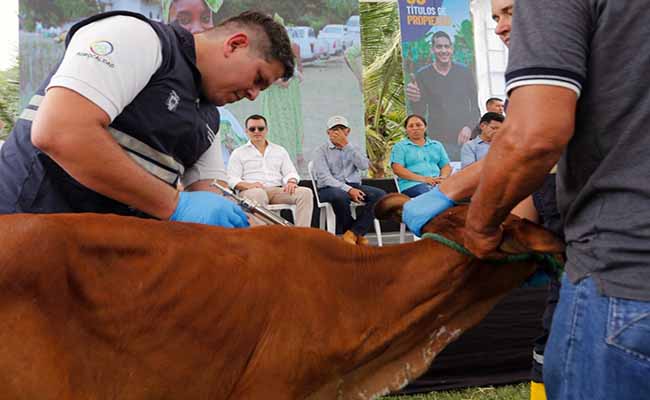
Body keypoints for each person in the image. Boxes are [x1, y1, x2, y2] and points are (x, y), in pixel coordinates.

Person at [407, 0, 650, 398]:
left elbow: (533, 138)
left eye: (511, 12)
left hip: (624, 282)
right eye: (494, 18)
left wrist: (479, 226)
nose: (502, 27)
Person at [0, 10, 294, 230]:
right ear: (235, 44)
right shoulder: (138, 37)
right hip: (23, 234)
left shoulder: (209, 119)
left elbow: (210, 196)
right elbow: (59, 131)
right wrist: (174, 204)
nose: (255, 95)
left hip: (96, 260)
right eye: (258, 79)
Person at [227, 114, 313, 227]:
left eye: (260, 128)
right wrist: (248, 185)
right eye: (252, 129)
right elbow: (231, 179)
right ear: (246, 131)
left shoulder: (279, 150)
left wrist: (291, 181)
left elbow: (291, 172)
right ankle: (264, 237)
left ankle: (301, 236)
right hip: (251, 191)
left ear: (266, 130)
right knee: (258, 193)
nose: (257, 131)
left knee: (305, 192)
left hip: (276, 190)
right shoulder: (238, 153)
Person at [312, 115, 386, 245]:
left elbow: (364, 166)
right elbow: (325, 178)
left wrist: (346, 145)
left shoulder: (354, 148)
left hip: (353, 185)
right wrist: (349, 189)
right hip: (329, 188)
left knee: (380, 195)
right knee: (340, 196)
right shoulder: (321, 151)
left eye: (341, 129)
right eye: (334, 129)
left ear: (348, 131)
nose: (338, 132)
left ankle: (354, 233)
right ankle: (355, 234)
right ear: (328, 132)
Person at [406, 31, 480, 159]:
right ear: (432, 49)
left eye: (447, 46)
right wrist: (415, 100)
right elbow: (420, 112)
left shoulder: (465, 72)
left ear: (452, 49)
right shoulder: (423, 75)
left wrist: (468, 127)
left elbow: (475, 108)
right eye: (439, 47)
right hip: (438, 142)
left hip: (466, 140)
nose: (444, 50)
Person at [260, 15, 305, 168]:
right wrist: (281, 79)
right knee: (276, 120)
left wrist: (288, 78)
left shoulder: (290, 47)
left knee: (289, 119)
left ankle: (292, 154)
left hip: (287, 90)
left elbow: (299, 70)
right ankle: (281, 155)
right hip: (275, 89)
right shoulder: (267, 49)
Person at [391, 114, 452, 198]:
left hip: (437, 183)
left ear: (425, 127)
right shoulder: (400, 147)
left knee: (459, 192)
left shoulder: (436, 145)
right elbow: (397, 169)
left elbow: (446, 166)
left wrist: (442, 178)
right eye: (411, 126)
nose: (415, 128)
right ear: (406, 130)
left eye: (418, 125)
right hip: (413, 185)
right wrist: (424, 179)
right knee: (431, 193)